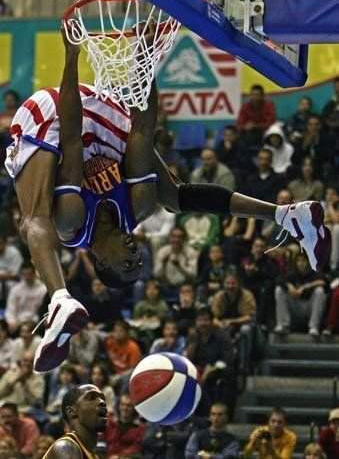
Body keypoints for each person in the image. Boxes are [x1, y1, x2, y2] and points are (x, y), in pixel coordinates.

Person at [5, 28, 330, 373]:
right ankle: (286, 214)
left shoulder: (71, 221)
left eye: (127, 263)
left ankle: (59, 298)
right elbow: (144, 129)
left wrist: (70, 59)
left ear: (100, 261)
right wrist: (147, 65)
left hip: (56, 111)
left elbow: (70, 136)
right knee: (171, 196)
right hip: (106, 116)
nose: (135, 253)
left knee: (33, 219)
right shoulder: (139, 206)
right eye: (138, 261)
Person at [42, 384, 108, 458]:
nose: (102, 402)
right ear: (71, 411)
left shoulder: (94, 456)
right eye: (92, 398)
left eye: (103, 398)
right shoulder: (65, 447)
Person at [274, 253, 327, 337]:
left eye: (303, 261)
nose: (301, 263)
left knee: (320, 291)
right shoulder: (293, 274)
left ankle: (314, 327)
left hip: (309, 307)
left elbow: (323, 282)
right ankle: (283, 325)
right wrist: (289, 286)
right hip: (295, 306)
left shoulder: (314, 272)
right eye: (298, 261)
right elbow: (279, 280)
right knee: (279, 290)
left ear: (308, 262)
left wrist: (305, 287)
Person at [5, 263, 47, 333]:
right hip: (17, 322)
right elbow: (10, 309)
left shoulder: (43, 289)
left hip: (35, 322)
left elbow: (42, 311)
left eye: (29, 274)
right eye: (24, 274)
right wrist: (11, 322)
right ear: (21, 275)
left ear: (34, 274)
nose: (27, 277)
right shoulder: (15, 289)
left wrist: (32, 321)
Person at [105, 393, 145, 458]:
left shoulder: (140, 428)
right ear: (118, 406)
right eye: (122, 405)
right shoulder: (109, 423)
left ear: (134, 408)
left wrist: (119, 457)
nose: (125, 408)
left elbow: (136, 448)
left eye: (129, 406)